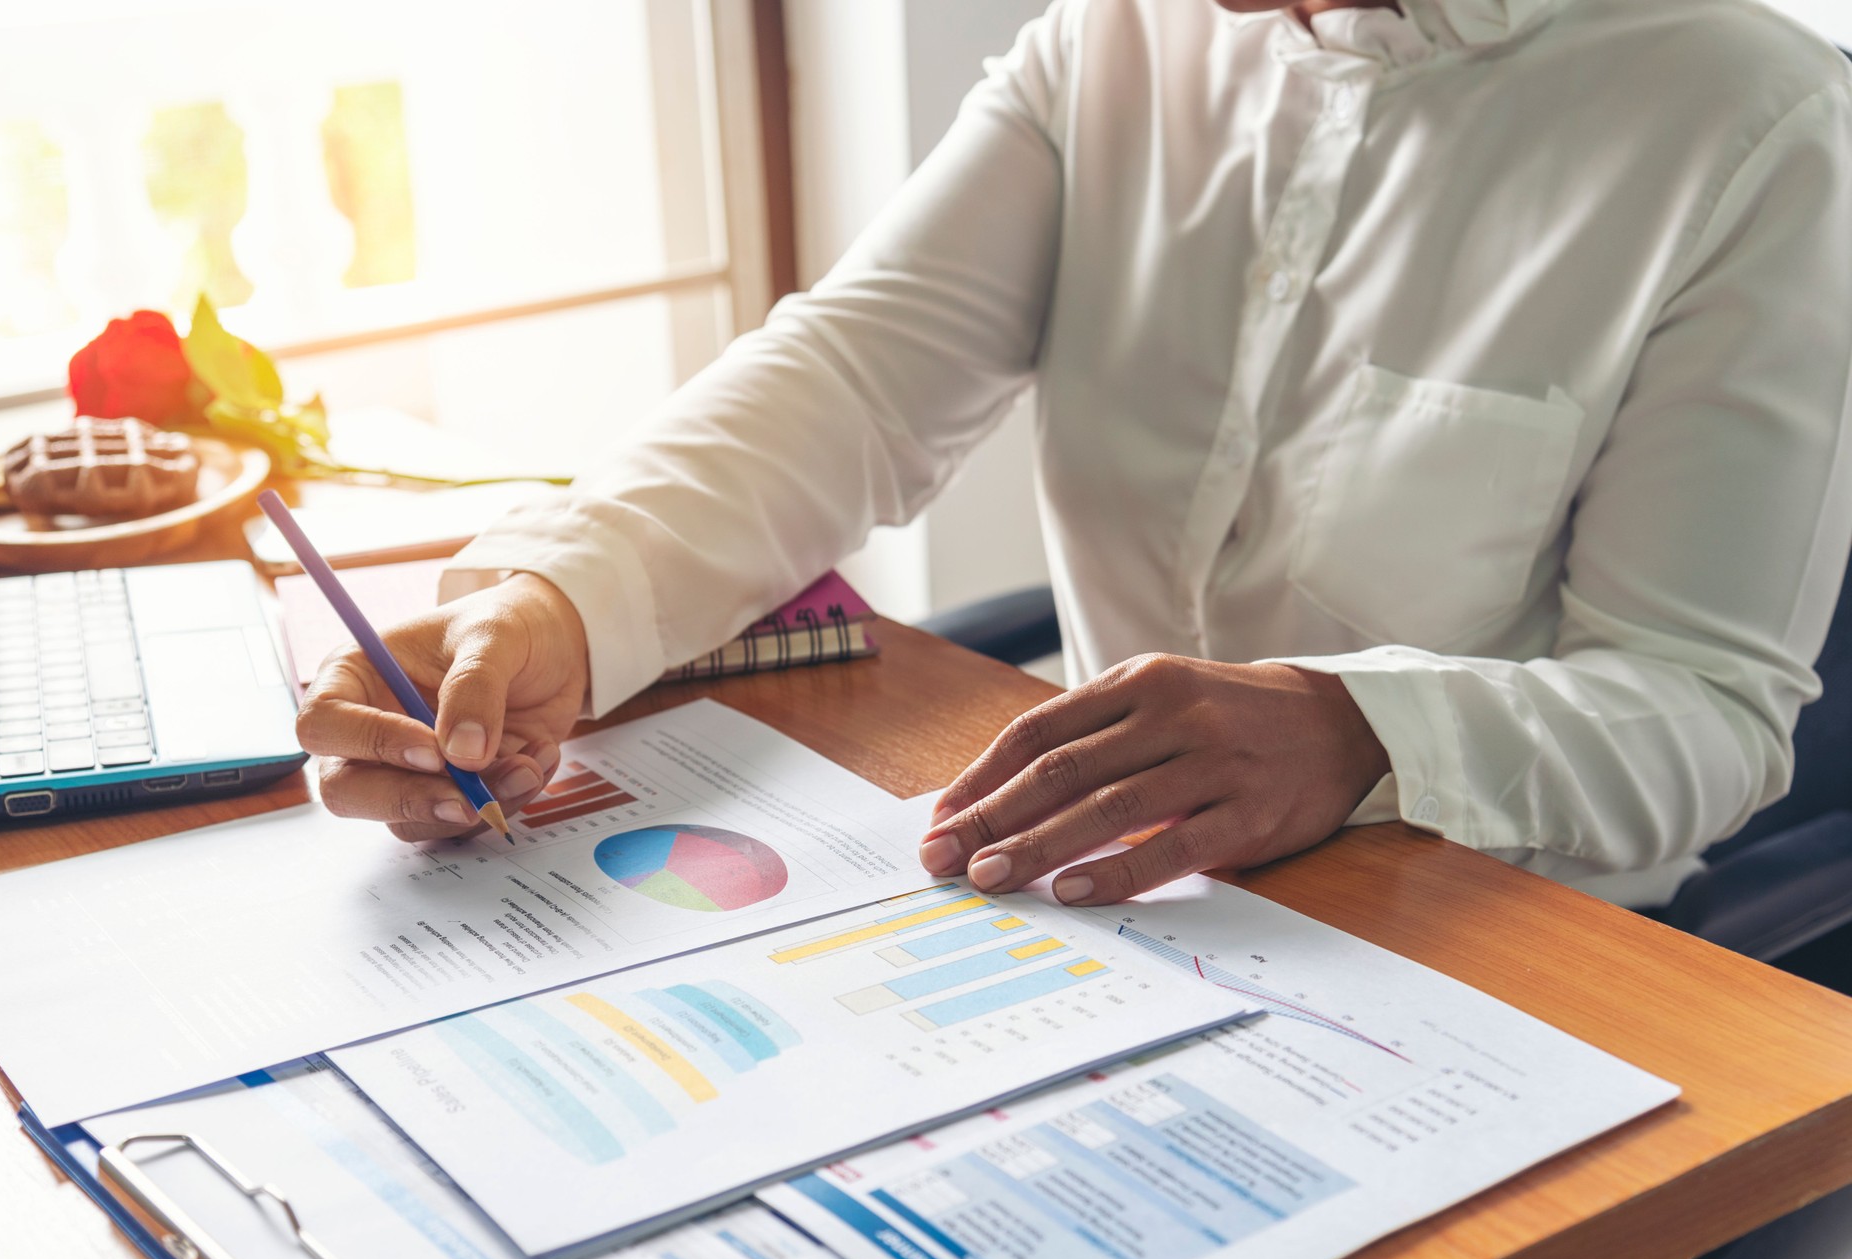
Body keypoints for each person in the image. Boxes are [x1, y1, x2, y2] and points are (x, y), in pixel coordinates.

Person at [298, 0, 1852, 912]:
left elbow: (1703, 712)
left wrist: (1362, 727)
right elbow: (850, 375)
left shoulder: (1753, 128)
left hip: (1499, 946)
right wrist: (558, 595)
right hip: (1097, 913)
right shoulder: (1114, 38)